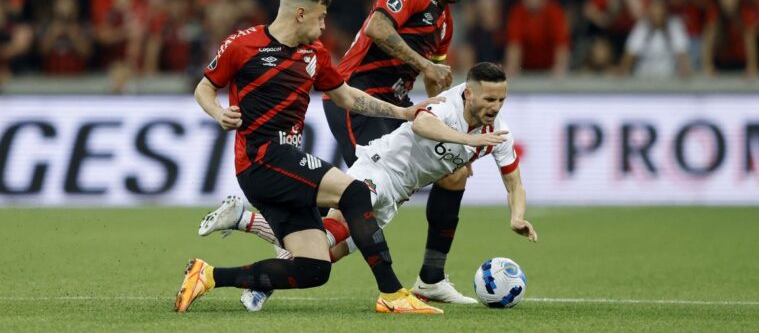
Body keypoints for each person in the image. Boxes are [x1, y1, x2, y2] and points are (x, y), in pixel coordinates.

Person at [174, 0, 443, 315]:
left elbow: (346, 97)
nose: (324, 25)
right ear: (300, 14)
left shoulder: (315, 54)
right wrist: (219, 113)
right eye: (320, 17)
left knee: (314, 268)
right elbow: (204, 88)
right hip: (262, 160)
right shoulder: (242, 45)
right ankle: (392, 293)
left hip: (284, 165)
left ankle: (209, 275)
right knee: (355, 193)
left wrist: (402, 112)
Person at [201, 62, 538, 311]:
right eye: (489, 99)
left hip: (399, 193)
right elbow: (421, 124)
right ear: (468, 93)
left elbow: (514, 183)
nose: (495, 107)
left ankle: (246, 231)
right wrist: (467, 140)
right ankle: (244, 231)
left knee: (325, 254)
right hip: (380, 169)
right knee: (325, 239)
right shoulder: (449, 106)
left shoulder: (498, 132)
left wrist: (517, 217)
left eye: (501, 100)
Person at [322, 0, 482, 304]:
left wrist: (452, 136)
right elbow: (378, 27)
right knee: (362, 201)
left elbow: (434, 81)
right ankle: (281, 264)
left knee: (453, 173)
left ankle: (432, 278)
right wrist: (425, 65)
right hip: (357, 99)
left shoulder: (444, 22)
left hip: (397, 106)